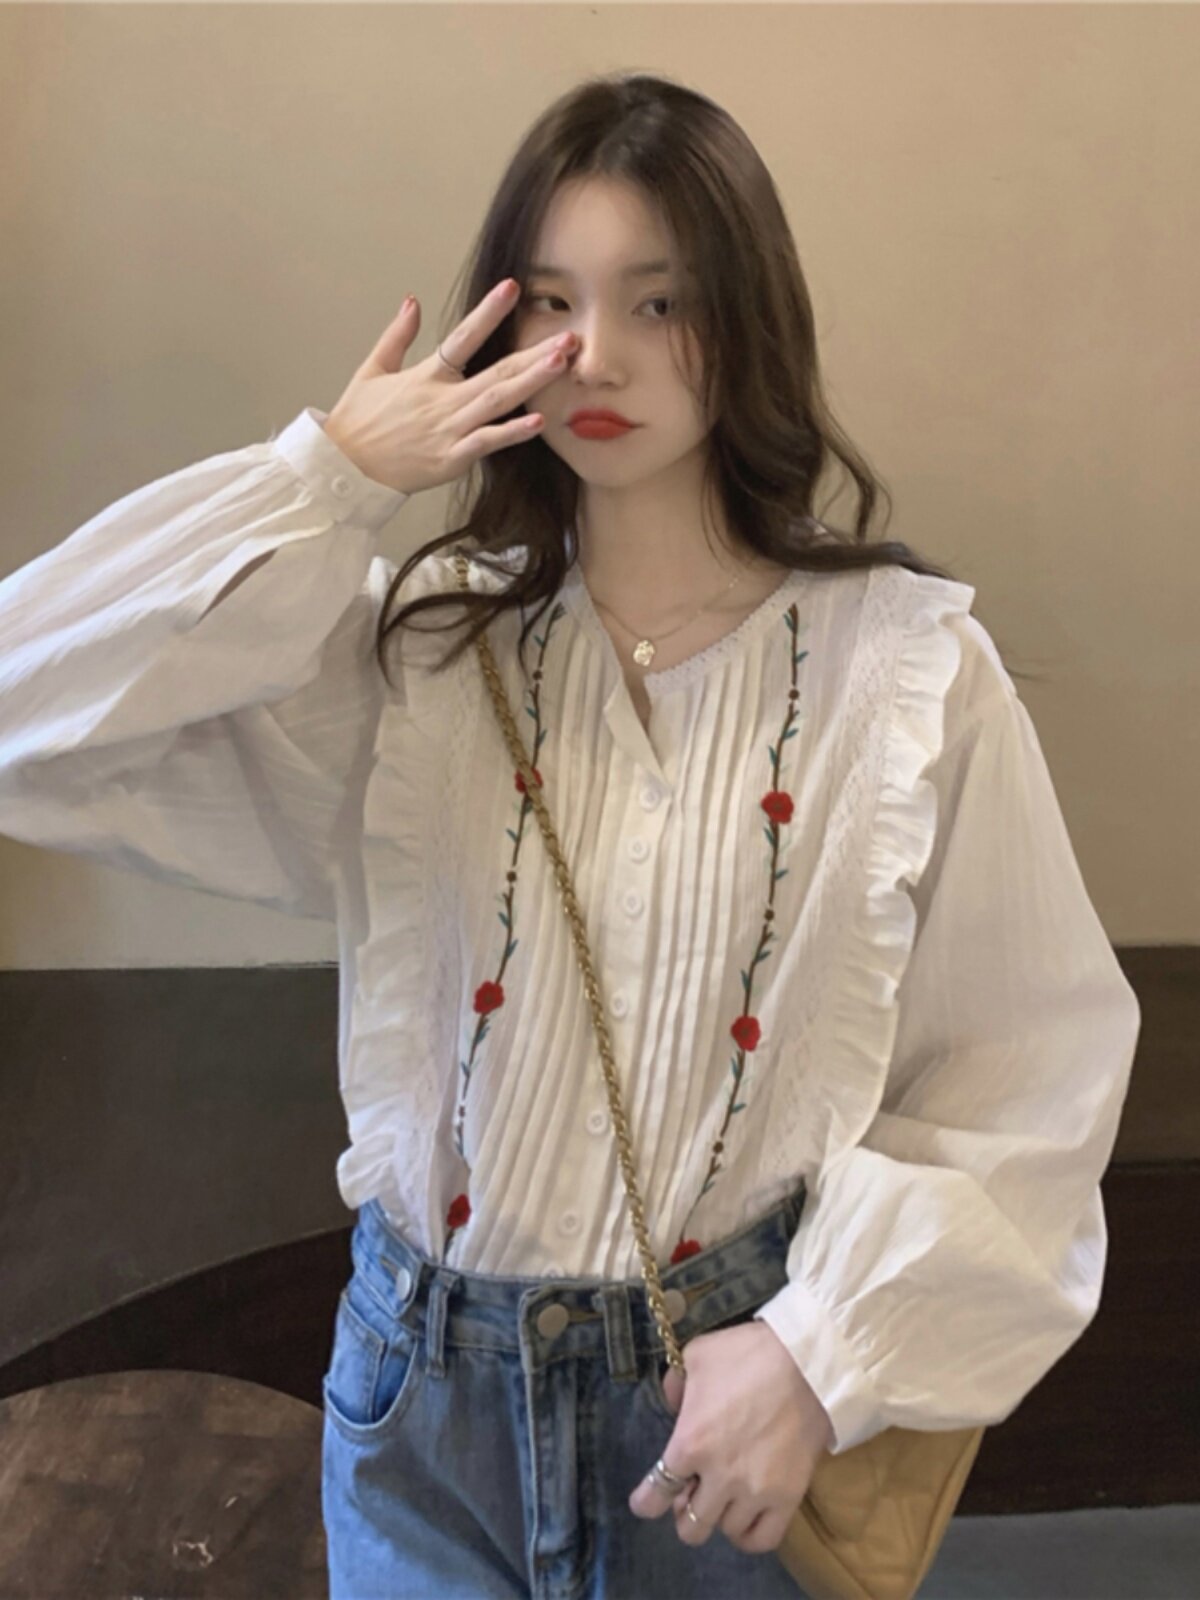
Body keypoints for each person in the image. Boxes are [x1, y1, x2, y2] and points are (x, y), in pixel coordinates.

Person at [0, 71, 1140, 1600]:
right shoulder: (417, 658)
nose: (594, 353)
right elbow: (25, 714)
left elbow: (1029, 1072)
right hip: (420, 1421)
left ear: (748, 318)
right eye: (550, 301)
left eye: (659, 303)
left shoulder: (905, 674)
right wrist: (325, 475)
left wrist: (817, 1355)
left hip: (714, 1413)